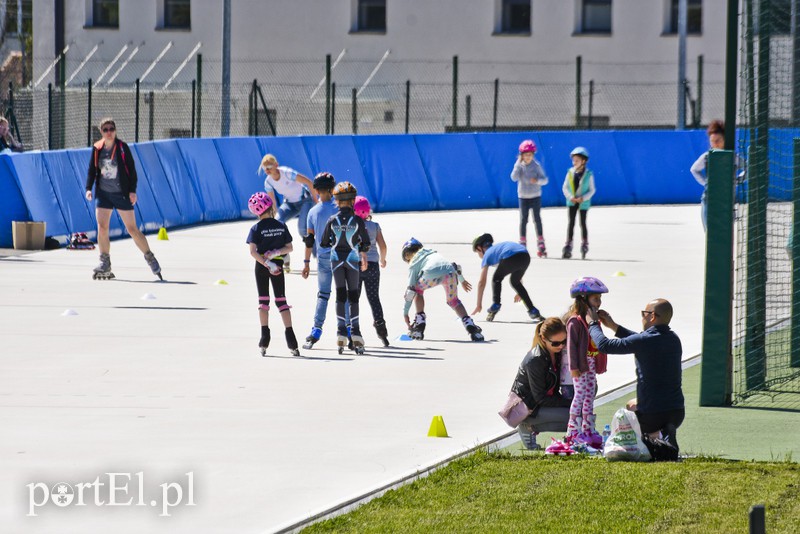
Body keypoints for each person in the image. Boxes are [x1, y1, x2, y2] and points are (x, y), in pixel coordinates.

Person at [587, 298, 685, 452]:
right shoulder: (673, 339)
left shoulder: (645, 341)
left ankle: (653, 437)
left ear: (652, 316)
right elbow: (638, 340)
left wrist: (592, 324)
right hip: (677, 413)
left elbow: (605, 346)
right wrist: (613, 326)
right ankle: (663, 434)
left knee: (627, 414)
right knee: (632, 404)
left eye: (643, 314)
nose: (642, 317)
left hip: (652, 416)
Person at [85, 117, 162, 280]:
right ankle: (105, 261)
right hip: (103, 194)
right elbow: (92, 170)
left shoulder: (122, 148)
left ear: (115, 130)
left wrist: (132, 191)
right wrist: (88, 189)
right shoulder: (97, 148)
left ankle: (150, 257)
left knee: (132, 229)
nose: (109, 132)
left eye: (111, 129)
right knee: (102, 227)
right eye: (105, 130)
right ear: (101, 132)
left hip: (121, 193)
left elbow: (132, 172)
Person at [246, 192, 299, 357]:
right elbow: (289, 247)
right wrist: (276, 252)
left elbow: (253, 252)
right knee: (282, 302)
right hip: (278, 265)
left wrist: (265, 262)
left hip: (262, 267)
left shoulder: (255, 228)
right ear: (271, 207)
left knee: (263, 302)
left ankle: (264, 336)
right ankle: (291, 339)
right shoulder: (281, 225)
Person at [320, 181, 370, 355]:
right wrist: (362, 251)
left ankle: (341, 332)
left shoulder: (331, 220)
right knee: (353, 296)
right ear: (353, 200)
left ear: (336, 201)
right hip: (352, 259)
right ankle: (356, 333)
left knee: (340, 295)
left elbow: (324, 242)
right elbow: (366, 243)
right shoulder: (357, 220)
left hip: (336, 260)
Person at [401, 238, 484, 342]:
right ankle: (471, 326)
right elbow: (454, 266)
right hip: (449, 273)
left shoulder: (413, 263)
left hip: (430, 275)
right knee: (453, 301)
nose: (410, 258)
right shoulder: (432, 253)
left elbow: (410, 292)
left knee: (417, 291)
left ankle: (419, 325)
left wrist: (405, 313)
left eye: (408, 255)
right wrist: (462, 280)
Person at [301, 172, 348, 349]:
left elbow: (309, 241)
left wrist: (306, 263)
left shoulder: (312, 212)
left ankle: (316, 330)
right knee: (343, 294)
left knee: (323, 294)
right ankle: (347, 329)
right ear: (331, 189)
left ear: (317, 190)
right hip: (341, 256)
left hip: (323, 258)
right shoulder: (340, 208)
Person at [510, 317, 572, 450]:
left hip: (541, 404)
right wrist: (570, 402)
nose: (561, 346)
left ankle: (571, 439)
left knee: (579, 415)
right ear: (543, 338)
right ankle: (528, 426)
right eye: (556, 343)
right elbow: (540, 398)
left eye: (564, 341)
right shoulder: (536, 360)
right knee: (573, 417)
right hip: (530, 408)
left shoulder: (558, 353)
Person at [563, 277, 609, 448]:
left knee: (590, 396)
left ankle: (588, 429)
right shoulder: (575, 321)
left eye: (600, 299)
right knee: (579, 396)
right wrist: (573, 368)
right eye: (596, 298)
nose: (599, 302)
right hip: (580, 366)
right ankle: (572, 432)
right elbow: (571, 346)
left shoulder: (592, 319)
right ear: (583, 299)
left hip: (590, 364)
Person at [260, 154, 319, 272]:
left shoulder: (287, 173)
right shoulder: (268, 182)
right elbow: (273, 203)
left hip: (305, 201)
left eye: (269, 166)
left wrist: (316, 201)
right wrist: (273, 219)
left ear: (276, 165)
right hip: (290, 204)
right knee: (276, 223)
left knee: (303, 229)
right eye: (264, 168)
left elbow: (309, 182)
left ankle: (320, 258)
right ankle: (284, 254)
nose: (267, 170)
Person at [470, 233, 542, 323]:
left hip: (511, 257)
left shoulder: (488, 254)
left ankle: (496, 304)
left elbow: (481, 282)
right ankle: (532, 310)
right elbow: (515, 269)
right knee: (515, 282)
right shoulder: (498, 250)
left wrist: (478, 304)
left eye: (477, 253)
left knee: (496, 278)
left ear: (479, 248)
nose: (479, 255)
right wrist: (519, 291)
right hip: (525, 256)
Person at [354, 195, 390, 347]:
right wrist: (382, 259)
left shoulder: (352, 226)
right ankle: (381, 330)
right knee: (374, 298)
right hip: (373, 265)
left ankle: (353, 330)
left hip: (356, 265)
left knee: (354, 299)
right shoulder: (375, 226)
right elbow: (383, 246)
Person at [511, 139, 549, 257]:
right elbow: (513, 178)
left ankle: (540, 241)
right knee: (523, 220)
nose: (528, 157)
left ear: (533, 155)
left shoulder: (536, 166)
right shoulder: (519, 166)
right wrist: (517, 164)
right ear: (521, 156)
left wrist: (537, 181)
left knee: (537, 219)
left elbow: (545, 180)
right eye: (526, 155)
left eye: (530, 155)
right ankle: (522, 242)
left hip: (535, 196)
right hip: (523, 197)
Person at [561, 146, 596, 260]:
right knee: (571, 223)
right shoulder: (570, 173)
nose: (574, 162)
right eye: (573, 160)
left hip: (583, 203)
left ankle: (584, 243)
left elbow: (592, 190)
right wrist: (571, 197)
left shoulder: (589, 174)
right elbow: (565, 187)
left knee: (582, 223)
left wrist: (583, 198)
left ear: (583, 161)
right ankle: (568, 244)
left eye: (577, 160)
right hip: (572, 202)